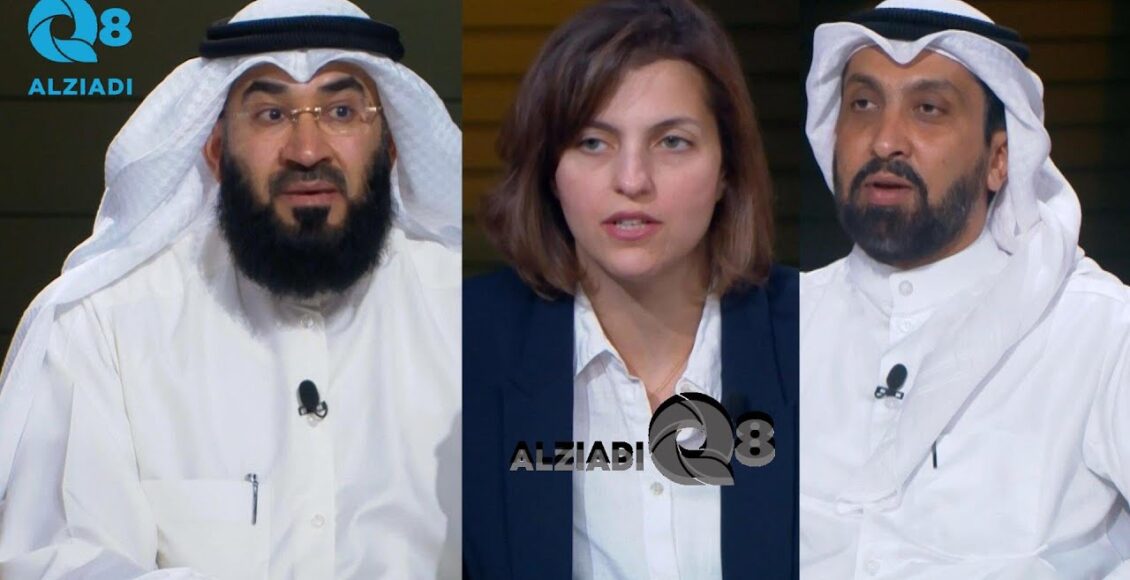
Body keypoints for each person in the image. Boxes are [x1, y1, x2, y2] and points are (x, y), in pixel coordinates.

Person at [0, 0, 461, 577]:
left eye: (341, 111)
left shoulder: (465, 314)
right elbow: (58, 561)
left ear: (391, 150)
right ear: (216, 151)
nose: (307, 150)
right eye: (271, 115)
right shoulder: (105, 325)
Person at [463, 0, 798, 578]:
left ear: (727, 168)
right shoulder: (466, 343)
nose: (632, 180)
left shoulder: (818, 333)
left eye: (672, 142)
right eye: (594, 143)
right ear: (550, 170)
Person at [800, 0, 1130, 577]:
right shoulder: (781, 323)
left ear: (1000, 159)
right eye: (863, 104)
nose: (885, 141)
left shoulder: (1097, 331)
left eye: (928, 109)